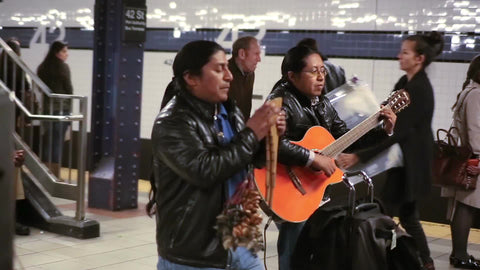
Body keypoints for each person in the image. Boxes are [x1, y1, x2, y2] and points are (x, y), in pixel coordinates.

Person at [146, 40, 285, 270]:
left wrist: (267, 137)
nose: (229, 76)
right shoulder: (173, 122)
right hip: (197, 253)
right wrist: (252, 133)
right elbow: (205, 171)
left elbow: (245, 159)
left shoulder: (229, 110)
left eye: (227, 68)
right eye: (219, 69)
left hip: (239, 238)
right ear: (191, 78)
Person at [267, 45, 396, 270]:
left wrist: (383, 130)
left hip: (315, 188)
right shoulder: (280, 101)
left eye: (323, 71)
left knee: (312, 248)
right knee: (293, 245)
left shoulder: (322, 103)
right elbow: (270, 143)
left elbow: (347, 139)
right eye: (313, 71)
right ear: (292, 76)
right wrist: (312, 158)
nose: (320, 77)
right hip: (286, 185)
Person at [337, 31, 444, 270]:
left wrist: (358, 156)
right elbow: (387, 117)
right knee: (401, 213)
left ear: (419, 58)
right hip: (402, 162)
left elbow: (402, 132)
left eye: (405, 52)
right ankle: (412, 260)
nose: (399, 56)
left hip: (413, 164)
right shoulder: (404, 84)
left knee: (400, 213)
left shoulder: (421, 90)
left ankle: (417, 261)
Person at [442, 55, 480, 269]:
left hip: (467, 158)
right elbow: (475, 130)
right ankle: (460, 254)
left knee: (464, 206)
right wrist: (478, 158)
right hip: (473, 160)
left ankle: (460, 254)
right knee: (466, 206)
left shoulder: (469, 91)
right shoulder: (476, 94)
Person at [37, 41, 73, 177]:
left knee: (48, 142)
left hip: (48, 110)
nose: (66, 54)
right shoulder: (63, 67)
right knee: (57, 143)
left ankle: (46, 175)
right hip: (61, 110)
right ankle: (55, 175)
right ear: (56, 52)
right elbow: (69, 89)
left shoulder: (42, 67)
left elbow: (40, 88)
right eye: (64, 51)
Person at [228, 36, 261, 120]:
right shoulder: (223, 75)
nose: (259, 59)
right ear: (242, 54)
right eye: (256, 54)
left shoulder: (250, 74)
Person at [0, 37, 32, 123]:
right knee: (11, 124)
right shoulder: (18, 66)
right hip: (15, 100)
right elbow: (26, 85)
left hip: (2, 98)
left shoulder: (1, 63)